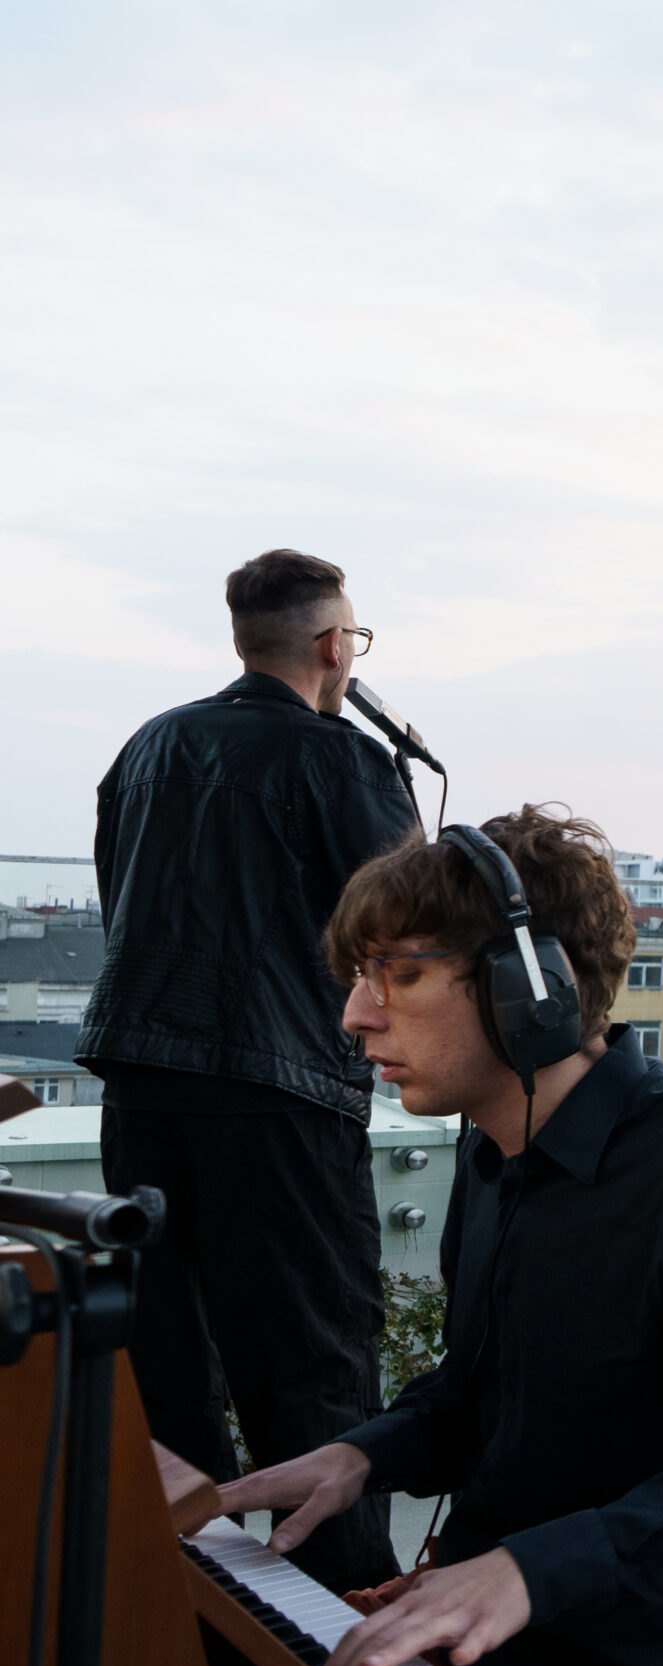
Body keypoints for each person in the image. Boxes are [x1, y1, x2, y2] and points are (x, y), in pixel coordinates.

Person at [220, 806, 663, 1666]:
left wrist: (527, 1571)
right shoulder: (490, 1148)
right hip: (512, 1642)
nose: (355, 1015)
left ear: (532, 993)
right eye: (361, 976)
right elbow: (484, 1387)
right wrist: (361, 1459)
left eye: (400, 974)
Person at [80, 547, 416, 1592]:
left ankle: (197, 1617)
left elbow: (119, 904)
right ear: (332, 647)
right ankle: (341, 1632)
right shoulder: (344, 758)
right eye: (352, 639)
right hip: (280, 1102)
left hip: (140, 1092)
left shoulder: (148, 747)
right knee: (312, 1375)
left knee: (166, 1374)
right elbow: (404, 930)